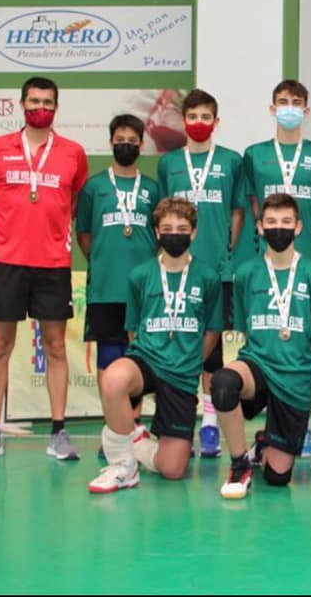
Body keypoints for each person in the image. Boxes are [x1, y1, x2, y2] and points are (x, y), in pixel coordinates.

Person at [0, 76, 88, 462]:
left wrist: (55, 232)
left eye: (49, 102)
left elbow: (74, 199)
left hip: (53, 264)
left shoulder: (73, 153)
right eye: (35, 100)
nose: (42, 107)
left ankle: (58, 433)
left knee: (56, 346)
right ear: (22, 104)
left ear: (57, 107)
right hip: (7, 262)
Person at [88, 197, 223, 493]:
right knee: (113, 379)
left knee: (172, 470)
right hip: (147, 359)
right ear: (157, 233)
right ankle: (122, 465)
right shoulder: (140, 275)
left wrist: (191, 364)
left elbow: (212, 331)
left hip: (182, 372)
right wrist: (147, 359)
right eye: (168, 228)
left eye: (182, 228)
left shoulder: (209, 277)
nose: (175, 233)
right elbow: (133, 330)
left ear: (194, 232)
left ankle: (140, 445)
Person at [211, 194, 311, 499]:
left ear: (299, 227)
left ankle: (264, 443)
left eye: (286, 222)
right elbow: (244, 327)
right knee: (223, 383)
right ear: (260, 227)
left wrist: (309, 370)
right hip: (258, 366)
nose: (279, 228)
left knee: (278, 478)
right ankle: (239, 464)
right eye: (272, 222)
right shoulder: (247, 273)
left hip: (295, 377)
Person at [157, 88, 246, 458]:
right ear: (183, 121)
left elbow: (238, 210)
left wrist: (227, 246)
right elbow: (162, 213)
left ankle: (209, 425)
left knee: (211, 354)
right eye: (192, 117)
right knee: (178, 346)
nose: (198, 123)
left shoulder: (231, 161)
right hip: (177, 269)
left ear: (216, 121)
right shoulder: (168, 163)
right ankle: (178, 423)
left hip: (217, 270)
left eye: (205, 117)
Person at [77, 114, 159, 454]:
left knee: (136, 359)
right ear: (111, 142)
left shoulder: (153, 189)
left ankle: (133, 426)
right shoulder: (94, 187)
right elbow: (84, 235)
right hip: (105, 289)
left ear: (141, 145)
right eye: (120, 138)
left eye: (132, 139)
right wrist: (103, 262)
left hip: (142, 291)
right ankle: (114, 429)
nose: (126, 143)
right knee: (108, 360)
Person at [243, 79, 311, 269]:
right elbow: (254, 204)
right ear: (273, 109)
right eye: (283, 102)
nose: (289, 108)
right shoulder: (254, 154)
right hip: (268, 251)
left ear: (306, 111)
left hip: (309, 250)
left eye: (296, 102)